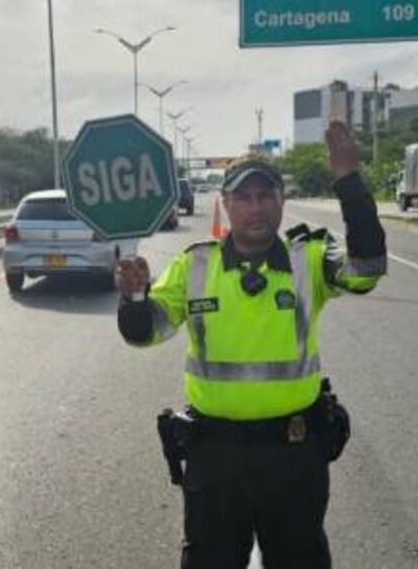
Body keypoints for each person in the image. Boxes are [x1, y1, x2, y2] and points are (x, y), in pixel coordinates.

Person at [116, 121, 386, 568]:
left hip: (293, 453)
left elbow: (367, 268)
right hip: (214, 457)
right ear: (225, 204)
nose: (255, 208)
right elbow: (144, 333)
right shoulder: (194, 265)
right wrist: (135, 298)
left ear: (282, 201)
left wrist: (349, 182)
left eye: (265, 196)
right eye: (243, 197)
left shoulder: (309, 259)